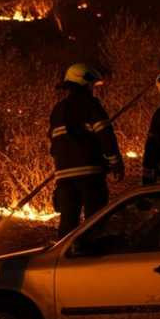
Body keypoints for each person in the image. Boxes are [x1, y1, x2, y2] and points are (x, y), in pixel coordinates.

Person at [49, 63, 124, 238]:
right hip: (91, 176)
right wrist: (115, 163)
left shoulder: (57, 110)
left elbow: (53, 144)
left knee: (67, 225)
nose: (94, 89)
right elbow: (106, 136)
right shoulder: (91, 104)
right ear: (85, 84)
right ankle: (91, 259)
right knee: (95, 223)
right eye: (92, 85)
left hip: (64, 178)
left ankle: (65, 261)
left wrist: (62, 168)